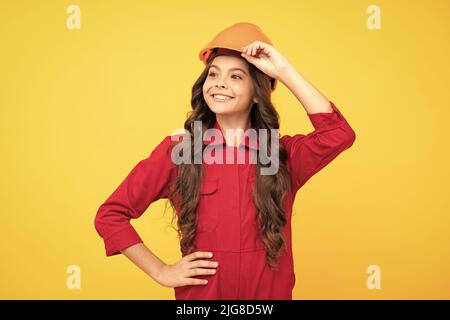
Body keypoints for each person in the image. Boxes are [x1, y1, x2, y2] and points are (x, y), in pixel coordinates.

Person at [94, 22, 356, 299]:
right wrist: (161, 271)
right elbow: (110, 215)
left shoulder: (281, 154)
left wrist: (283, 71)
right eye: (213, 74)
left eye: (236, 77)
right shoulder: (180, 151)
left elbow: (338, 134)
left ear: (258, 92)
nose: (219, 83)